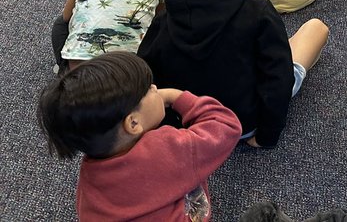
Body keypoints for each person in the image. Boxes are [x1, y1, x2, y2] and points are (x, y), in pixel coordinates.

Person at [138, 0, 329, 148]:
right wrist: (267, 135)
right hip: (242, 127)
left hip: (188, 125)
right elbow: (277, 81)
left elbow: (146, 78)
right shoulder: (260, 13)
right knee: (316, 28)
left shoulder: (163, 20)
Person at [37, 51, 241, 222]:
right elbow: (226, 125)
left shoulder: (91, 172)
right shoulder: (168, 149)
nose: (155, 88)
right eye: (148, 88)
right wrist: (175, 96)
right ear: (133, 123)